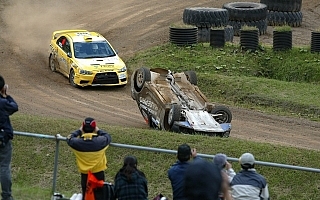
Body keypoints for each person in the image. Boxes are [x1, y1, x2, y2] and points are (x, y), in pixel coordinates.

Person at [67, 117, 112, 200]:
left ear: (83, 128)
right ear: (94, 128)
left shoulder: (77, 143)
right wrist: (98, 131)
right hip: (98, 173)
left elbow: (69, 138)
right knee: (100, 196)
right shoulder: (100, 141)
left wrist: (79, 131)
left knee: (86, 195)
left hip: (85, 174)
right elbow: (108, 136)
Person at [0, 75, 18, 200]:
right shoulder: (2, 102)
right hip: (2, 139)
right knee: (4, 167)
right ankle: (6, 196)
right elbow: (14, 107)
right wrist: (6, 94)